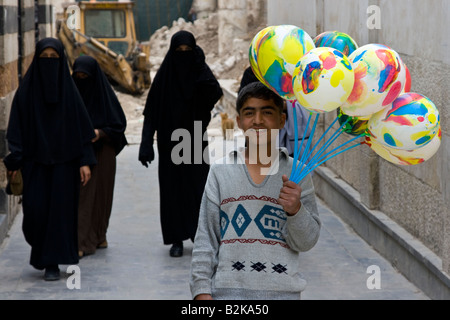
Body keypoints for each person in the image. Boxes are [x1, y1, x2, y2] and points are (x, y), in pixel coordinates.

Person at [190, 82, 321, 300]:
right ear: (239, 122)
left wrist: (295, 210)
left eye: (267, 112)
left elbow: (306, 242)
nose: (258, 120)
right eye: (250, 113)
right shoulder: (220, 172)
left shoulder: (298, 173)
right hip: (228, 294)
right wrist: (201, 292)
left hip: (283, 294)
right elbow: (206, 239)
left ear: (282, 120)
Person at [3, 38, 97, 281]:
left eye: (53, 59)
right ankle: (44, 253)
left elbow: (81, 130)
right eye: (44, 58)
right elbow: (16, 129)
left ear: (61, 60)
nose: (49, 63)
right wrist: (15, 161)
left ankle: (52, 262)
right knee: (36, 213)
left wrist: (84, 161)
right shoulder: (27, 93)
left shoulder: (69, 94)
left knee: (59, 214)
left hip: (65, 166)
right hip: (35, 164)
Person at [139, 31, 223, 257]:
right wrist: (146, 144)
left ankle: (200, 234)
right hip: (169, 143)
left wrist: (200, 63)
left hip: (195, 138)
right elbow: (151, 112)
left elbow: (215, 92)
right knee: (172, 190)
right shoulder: (164, 78)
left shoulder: (198, 72)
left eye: (189, 51)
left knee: (198, 189)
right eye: (180, 52)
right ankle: (176, 238)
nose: (184, 56)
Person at [72, 55, 128, 258]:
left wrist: (100, 133)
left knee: (103, 196)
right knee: (83, 197)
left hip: (104, 152)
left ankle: (99, 235)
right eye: (77, 77)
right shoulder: (72, 96)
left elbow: (118, 125)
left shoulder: (105, 97)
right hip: (80, 152)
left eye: (85, 76)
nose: (81, 81)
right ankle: (82, 242)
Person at [239, 66, 312, 158]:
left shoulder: (291, 72)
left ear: (282, 119)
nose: (258, 120)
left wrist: (285, 105)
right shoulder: (252, 72)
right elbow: (242, 102)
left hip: (284, 143)